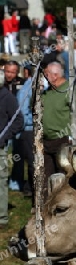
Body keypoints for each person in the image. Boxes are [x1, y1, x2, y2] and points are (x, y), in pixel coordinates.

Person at [42, 61, 76, 200]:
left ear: (55, 75)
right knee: (46, 176)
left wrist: (71, 137)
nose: (44, 76)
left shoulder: (70, 90)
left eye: (46, 74)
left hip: (62, 140)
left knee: (64, 175)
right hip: (45, 141)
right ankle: (47, 205)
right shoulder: (46, 92)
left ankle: (65, 203)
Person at [0, 71, 24, 228]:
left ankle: (1, 217)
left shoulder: (8, 98)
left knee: (0, 182)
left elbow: (18, 121)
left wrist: (3, 137)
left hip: (0, 148)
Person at [10, 65, 34, 199]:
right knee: (31, 160)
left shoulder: (26, 88)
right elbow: (22, 113)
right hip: (28, 130)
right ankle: (29, 188)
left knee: (29, 159)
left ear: (26, 73)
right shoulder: (27, 89)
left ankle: (28, 187)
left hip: (28, 130)